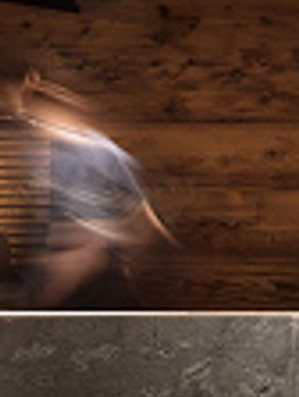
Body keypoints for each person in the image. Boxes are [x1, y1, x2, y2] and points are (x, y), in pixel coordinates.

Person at [0, 53, 172, 308]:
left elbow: (148, 232)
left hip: (90, 306)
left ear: (30, 84)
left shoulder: (91, 153)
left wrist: (93, 255)